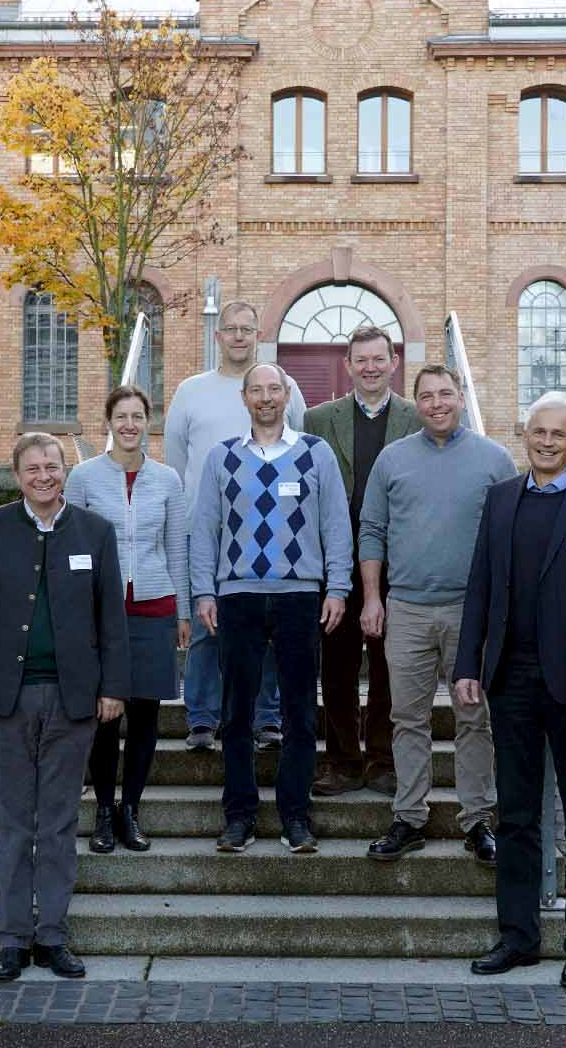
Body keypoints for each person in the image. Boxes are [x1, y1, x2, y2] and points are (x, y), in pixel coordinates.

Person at [453, 392, 566, 988]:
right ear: (524, 436)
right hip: (511, 680)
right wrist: (467, 665)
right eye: (537, 432)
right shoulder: (500, 500)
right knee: (518, 816)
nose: (546, 442)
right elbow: (479, 588)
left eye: (558, 434)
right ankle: (519, 938)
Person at [0, 432, 130, 983]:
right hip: (6, 698)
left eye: (52, 467)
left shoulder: (95, 533)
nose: (45, 476)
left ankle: (52, 935)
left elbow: (111, 621)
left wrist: (112, 688)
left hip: (73, 699)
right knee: (10, 821)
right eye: (33, 469)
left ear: (64, 472)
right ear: (17, 475)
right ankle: (12, 939)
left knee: (55, 822)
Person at [189, 363, 351, 855]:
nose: (266, 397)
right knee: (237, 714)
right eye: (256, 390)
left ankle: (295, 817)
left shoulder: (315, 454)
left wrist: (338, 587)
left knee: (301, 713)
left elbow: (336, 524)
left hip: (300, 597)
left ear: (287, 395)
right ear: (244, 398)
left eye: (274, 389)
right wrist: (203, 591)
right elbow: (205, 528)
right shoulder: (222, 458)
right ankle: (238, 816)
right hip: (236, 596)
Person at [357, 363, 514, 868]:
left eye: (445, 394)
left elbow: (511, 541)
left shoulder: (494, 460)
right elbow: (372, 531)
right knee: (407, 718)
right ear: (416, 403)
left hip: (472, 614)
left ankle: (478, 821)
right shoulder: (392, 459)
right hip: (405, 609)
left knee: (474, 717)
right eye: (426, 396)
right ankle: (409, 816)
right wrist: (373, 598)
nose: (437, 403)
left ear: (461, 396)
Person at [163, 300, 305, 754]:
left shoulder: (283, 387)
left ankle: (266, 717)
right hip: (206, 528)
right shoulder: (191, 391)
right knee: (206, 626)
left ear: (258, 335)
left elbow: (295, 449)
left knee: (265, 628)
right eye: (231, 329)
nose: (240, 336)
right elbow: (178, 459)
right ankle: (202, 717)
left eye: (248, 328)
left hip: (268, 529)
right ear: (218, 336)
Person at [64, 384, 190, 854]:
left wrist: (181, 610)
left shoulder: (168, 480)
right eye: (122, 416)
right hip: (102, 612)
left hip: (154, 608)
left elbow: (177, 546)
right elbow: (70, 548)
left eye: (138, 416)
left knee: (145, 717)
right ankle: (102, 810)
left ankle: (130, 810)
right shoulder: (84, 478)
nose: (130, 425)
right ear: (109, 423)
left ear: (148, 422)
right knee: (104, 717)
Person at [303, 325, 419, 798]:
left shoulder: (416, 418)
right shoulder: (317, 420)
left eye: (379, 359)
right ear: (348, 365)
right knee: (338, 664)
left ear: (394, 363)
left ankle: (384, 760)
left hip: (400, 561)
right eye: (361, 360)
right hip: (337, 561)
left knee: (392, 665)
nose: (370, 367)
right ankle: (343, 760)